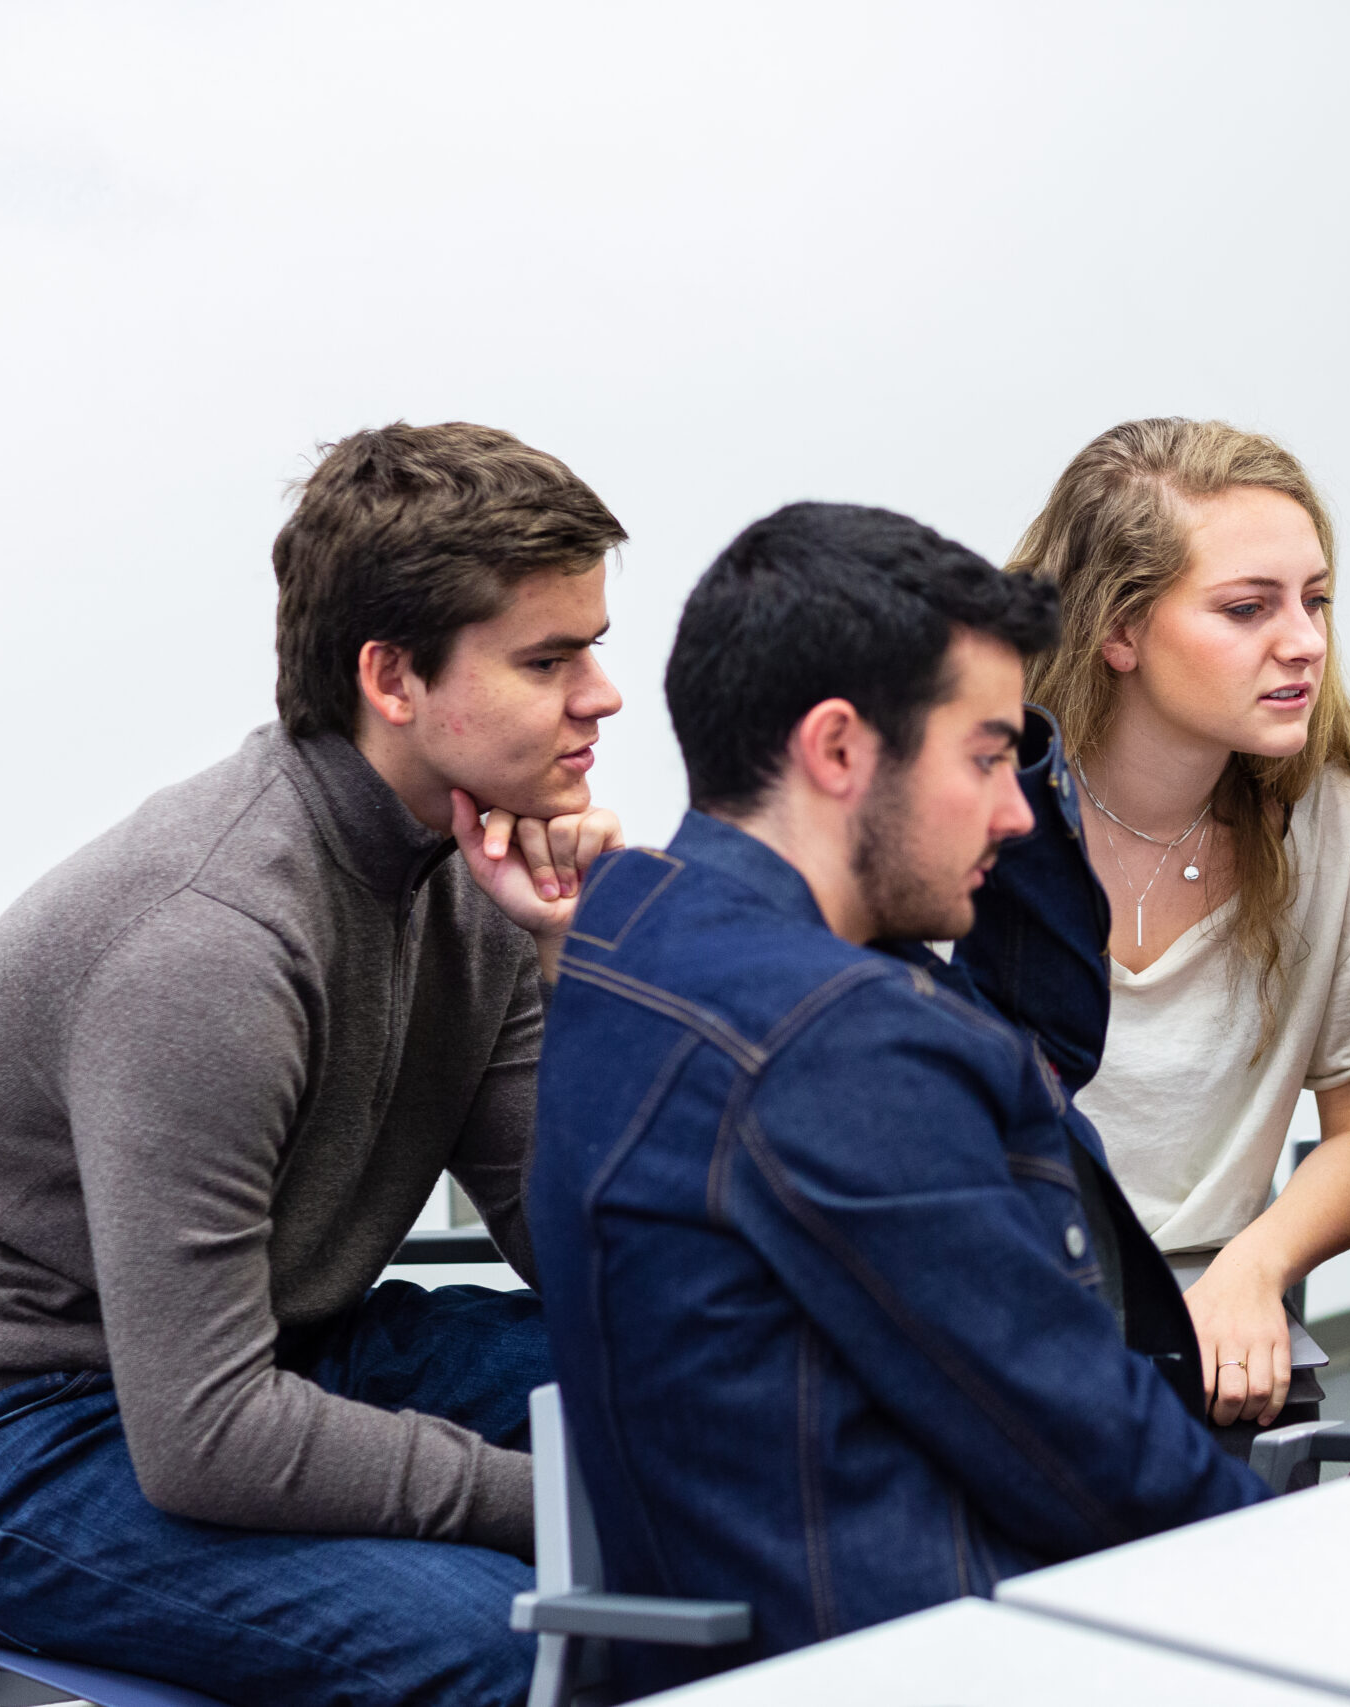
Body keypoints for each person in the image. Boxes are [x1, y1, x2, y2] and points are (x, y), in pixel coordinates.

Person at [530, 501, 1264, 1697]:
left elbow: (1042, 1023)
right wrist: (1311, 1572)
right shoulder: (832, 1042)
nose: (1019, 812)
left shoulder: (630, 927)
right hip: (947, 1657)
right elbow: (1084, 1450)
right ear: (835, 751)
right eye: (983, 757)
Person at [0, 422, 630, 1705]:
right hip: (11, 1430)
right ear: (393, 679)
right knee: (525, 1637)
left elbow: (597, 1270)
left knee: (738, 1410)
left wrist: (570, 969)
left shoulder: (479, 881)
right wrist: (550, 1503)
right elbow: (205, 1439)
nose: (598, 694)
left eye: (591, 647)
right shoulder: (205, 947)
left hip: (272, 1353)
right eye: (548, 659)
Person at [1007, 419, 1350, 1431]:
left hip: (1211, 1336)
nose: (1304, 641)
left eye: (1315, 600)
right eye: (1248, 609)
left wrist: (1256, 1266)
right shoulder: (976, 813)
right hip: (1000, 1310)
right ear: (1118, 631)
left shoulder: (1333, 823)